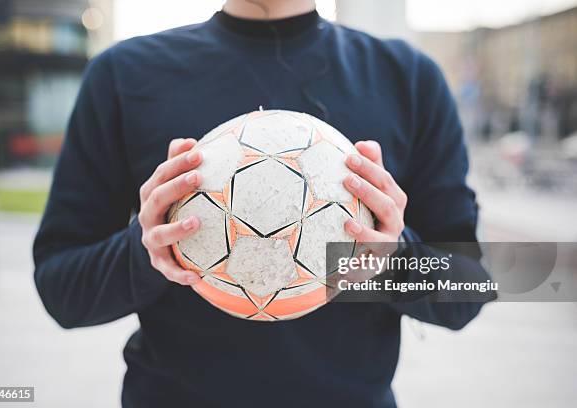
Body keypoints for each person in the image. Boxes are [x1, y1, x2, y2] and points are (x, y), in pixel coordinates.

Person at [33, 0, 492, 406]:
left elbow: (469, 288)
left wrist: (393, 259)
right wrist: (147, 250)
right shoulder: (124, 74)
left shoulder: (408, 78)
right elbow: (62, 289)